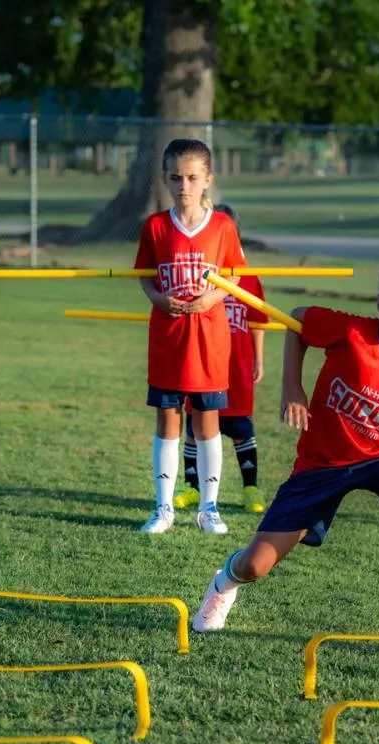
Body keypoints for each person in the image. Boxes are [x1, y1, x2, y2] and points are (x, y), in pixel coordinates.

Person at [192, 251, 379, 662]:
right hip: (322, 463)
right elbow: (297, 319)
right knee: (256, 566)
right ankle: (224, 584)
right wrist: (292, 387)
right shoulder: (352, 332)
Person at [134, 138, 245, 535]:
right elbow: (145, 277)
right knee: (168, 419)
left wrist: (211, 297)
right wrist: (160, 299)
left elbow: (233, 275)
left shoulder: (222, 226)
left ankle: (208, 507)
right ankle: (163, 508)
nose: (184, 185)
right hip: (168, 338)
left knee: (207, 421)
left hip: (209, 340)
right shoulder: (156, 226)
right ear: (165, 180)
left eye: (192, 177)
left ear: (208, 180)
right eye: (176, 177)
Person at [174, 203, 269, 515]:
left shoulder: (249, 279)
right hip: (202, 362)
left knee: (241, 425)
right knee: (195, 426)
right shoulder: (197, 276)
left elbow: (257, 322)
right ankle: (191, 486)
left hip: (237, 366)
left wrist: (258, 359)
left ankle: (250, 487)